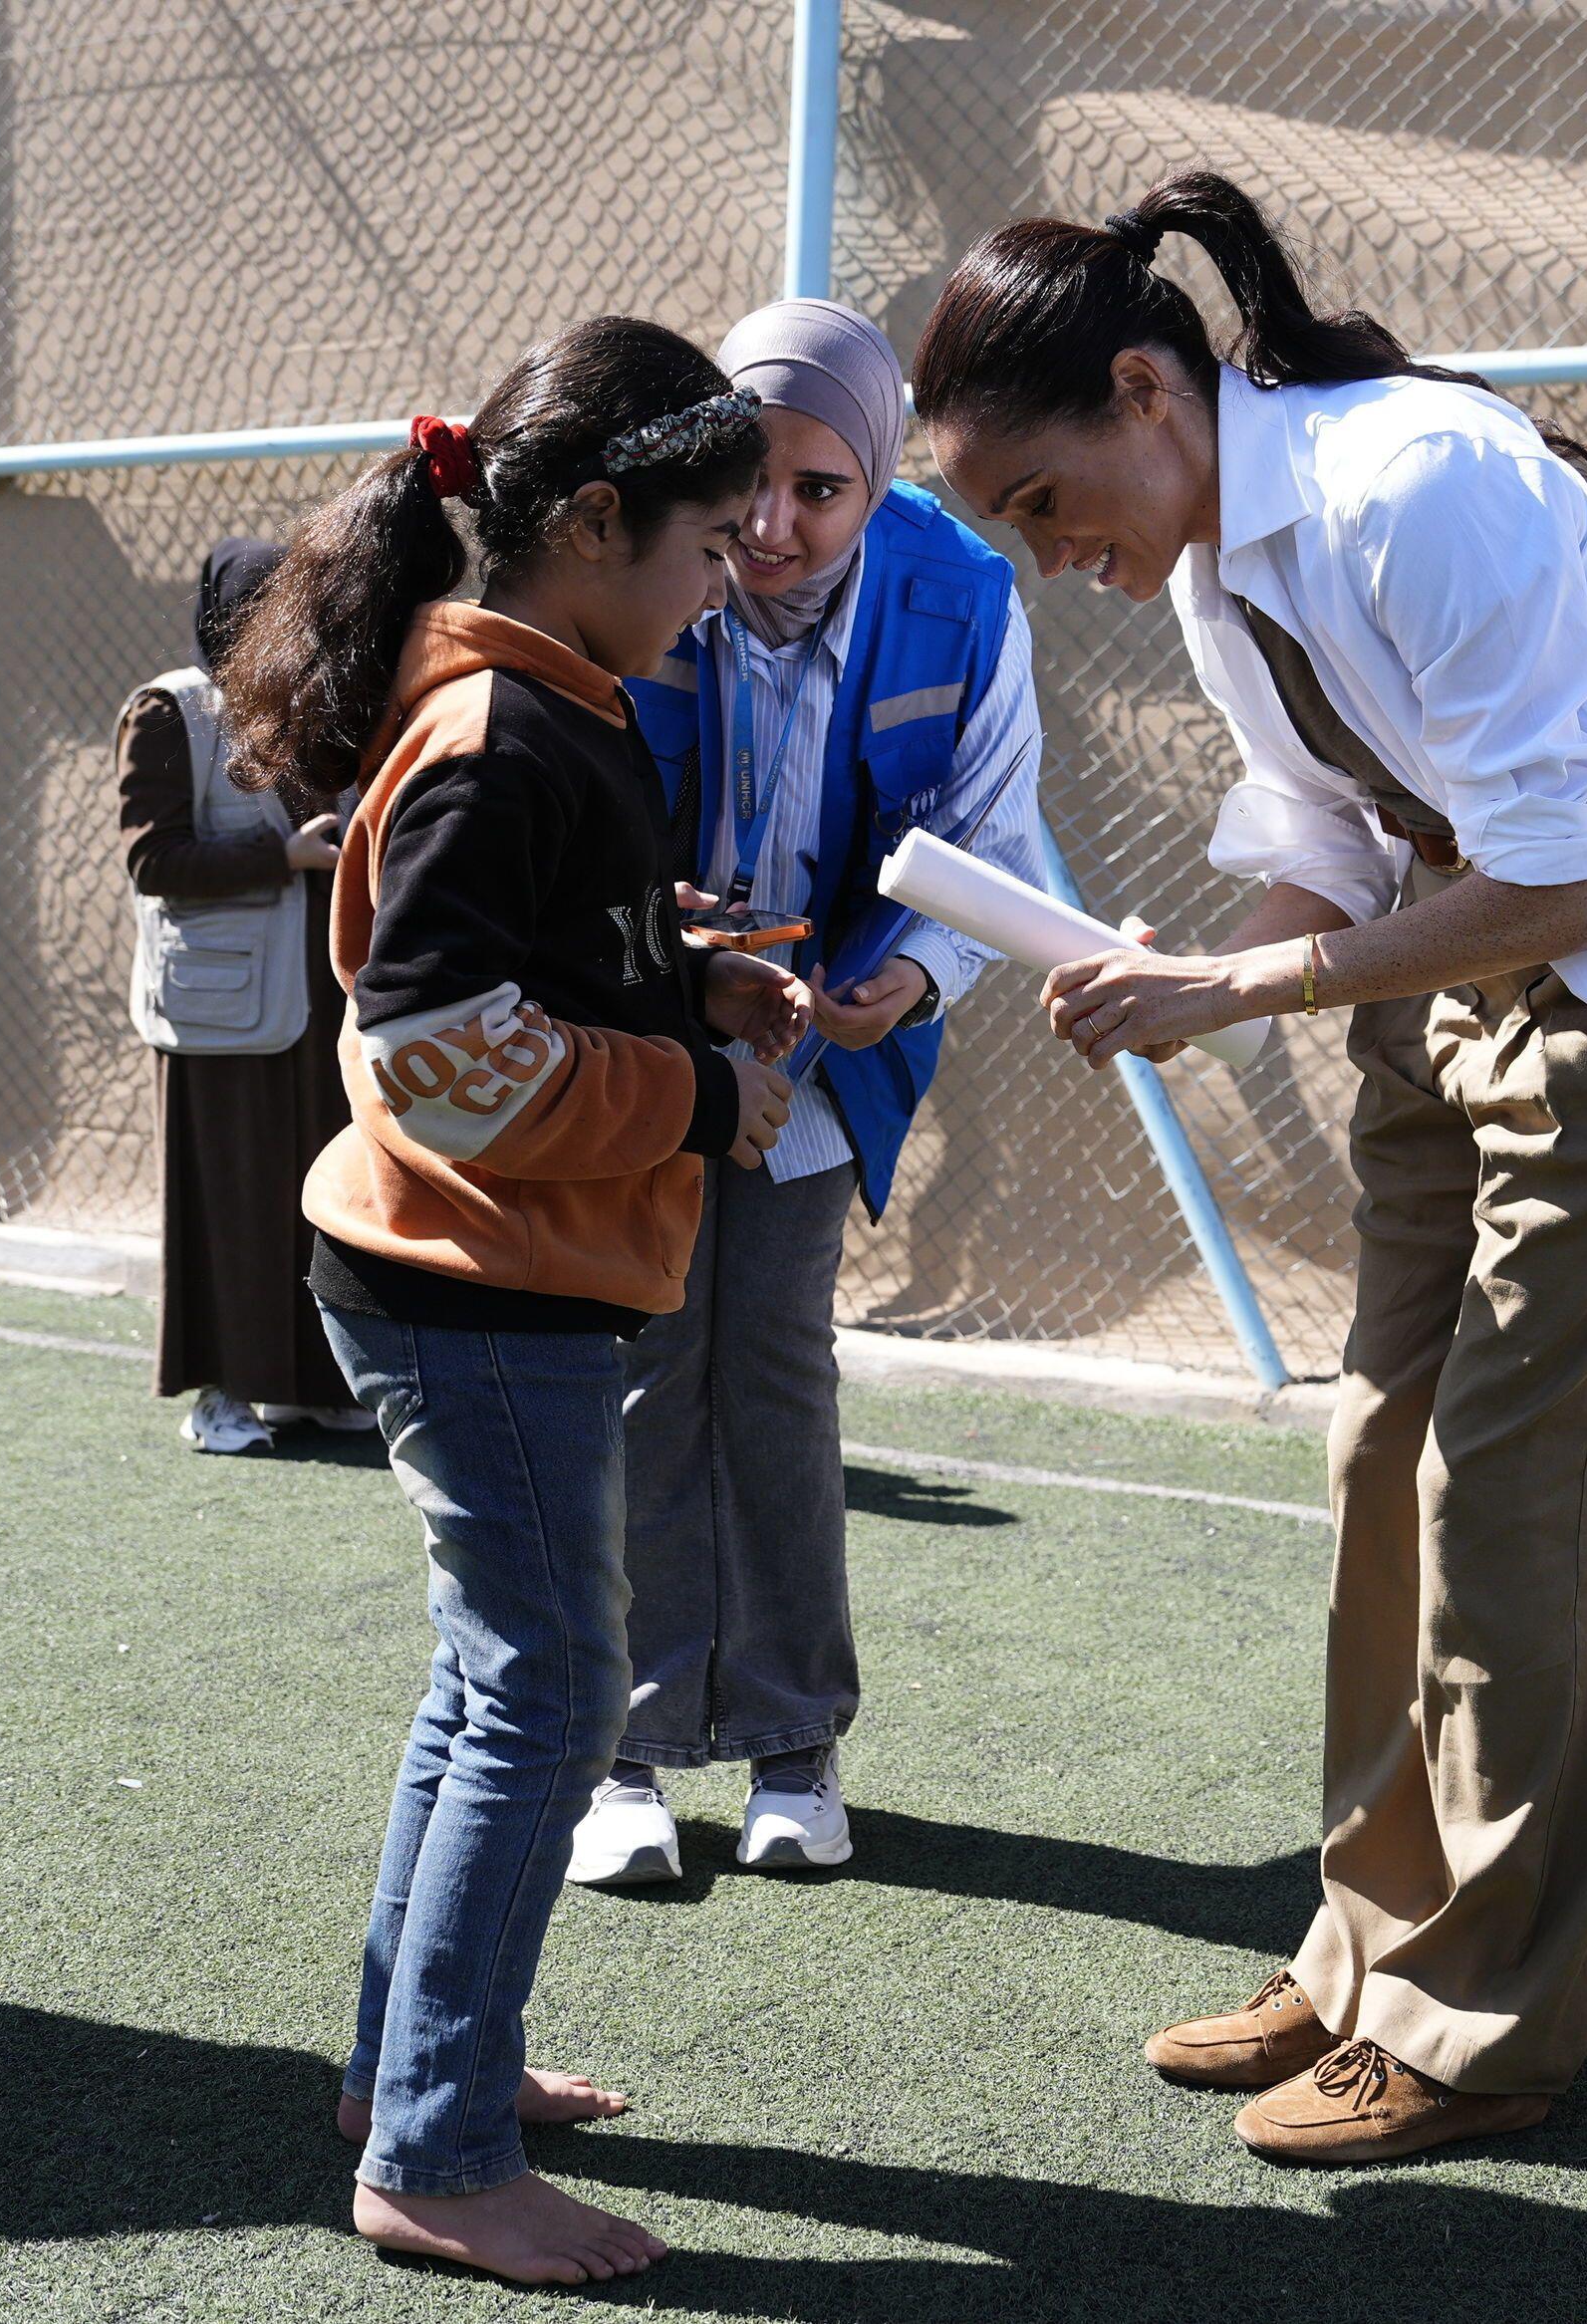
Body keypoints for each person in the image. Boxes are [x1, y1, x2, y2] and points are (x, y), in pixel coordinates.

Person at [912, 170, 1587, 2165]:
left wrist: (1234, 983)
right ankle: (1367, 1945)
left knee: (1525, 1487)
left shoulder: (1417, 476)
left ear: (1143, 389)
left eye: (1034, 498)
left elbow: (1562, 872)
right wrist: (1190, 965)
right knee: (1384, 1456)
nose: (1042, 552)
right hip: (1448, 988)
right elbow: (1327, 833)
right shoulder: (1205, 569)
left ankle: (1486, 2016)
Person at [217, 316, 810, 2288]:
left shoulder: (565, 703)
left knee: (503, 1672)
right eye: (712, 542)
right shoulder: (500, 733)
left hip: (498, 1281)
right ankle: (435, 2146)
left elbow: (543, 976)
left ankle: (414, 2065)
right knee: (554, 1688)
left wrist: (684, 980)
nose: (734, 582)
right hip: (468, 1292)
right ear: (588, 518)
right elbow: (438, 1054)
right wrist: (701, 1090)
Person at [570, 298, 1051, 1887]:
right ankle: (622, 1752)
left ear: (881, 476)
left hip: (829, 1055)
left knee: (774, 1368)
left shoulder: (964, 593)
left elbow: (992, 837)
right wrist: (672, 968)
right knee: (641, 1362)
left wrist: (909, 974)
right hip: (647, 1039)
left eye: (820, 490)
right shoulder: (647, 556)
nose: (770, 528)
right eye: (746, 487)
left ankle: (794, 1738)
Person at [119, 538, 370, 1452]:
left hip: (317, 997)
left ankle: (307, 1385)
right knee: (223, 1200)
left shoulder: (314, 707)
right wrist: (284, 856)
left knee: (311, 1194)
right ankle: (218, 1394)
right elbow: (156, 860)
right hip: (220, 1010)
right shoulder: (172, 710)